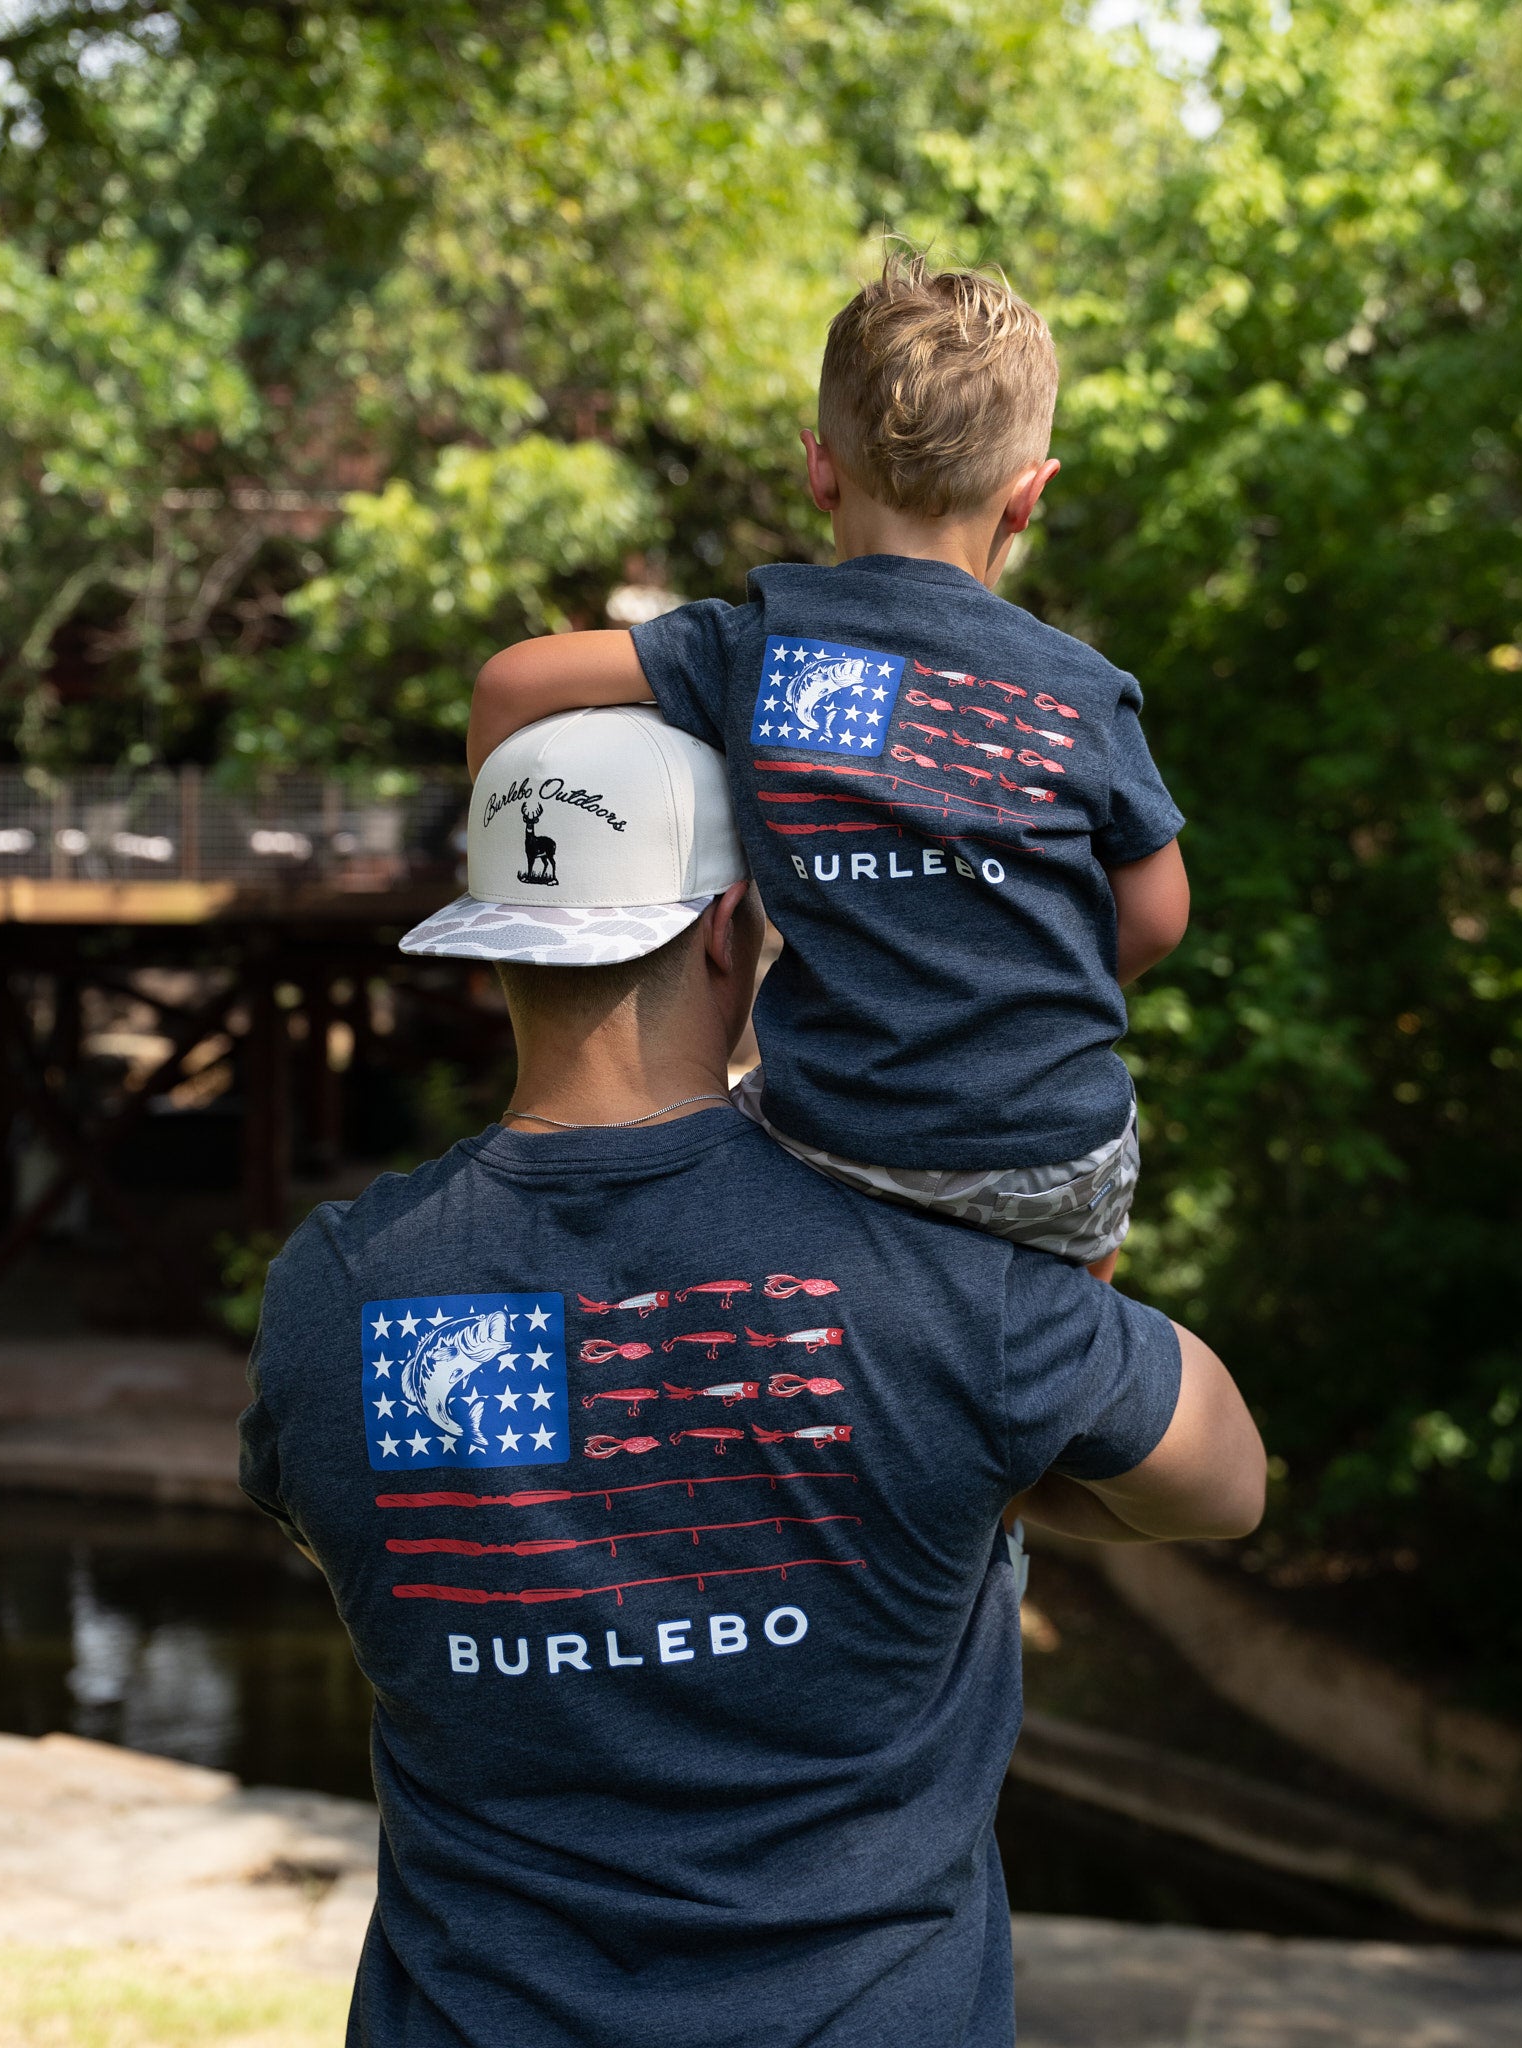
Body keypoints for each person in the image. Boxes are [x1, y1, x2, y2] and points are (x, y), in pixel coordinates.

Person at [239, 708, 1264, 2048]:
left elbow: (359, 1516)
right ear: (733, 927)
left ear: (497, 946)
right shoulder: (928, 1276)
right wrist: (979, 1482)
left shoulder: (336, 1289)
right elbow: (1222, 1482)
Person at [467, 253, 1190, 1280]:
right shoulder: (1080, 688)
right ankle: (1072, 1330)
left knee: (727, 1122)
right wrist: (1017, 978)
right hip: (1051, 1151)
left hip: (834, 1142)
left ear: (819, 469)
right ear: (1029, 496)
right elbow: (1159, 915)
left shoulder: (759, 647)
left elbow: (509, 683)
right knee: (1085, 1231)